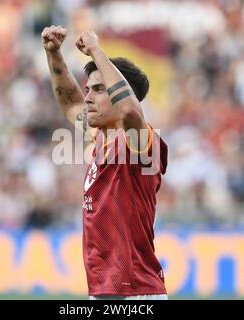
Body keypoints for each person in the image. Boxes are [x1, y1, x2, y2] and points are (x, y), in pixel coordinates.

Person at [42, 25, 168, 300]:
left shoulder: (140, 143)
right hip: (105, 290)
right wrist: (53, 54)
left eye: (98, 89)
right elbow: (71, 103)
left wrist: (97, 51)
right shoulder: (99, 136)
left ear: (122, 93)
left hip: (134, 291)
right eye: (89, 89)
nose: (88, 97)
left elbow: (129, 110)